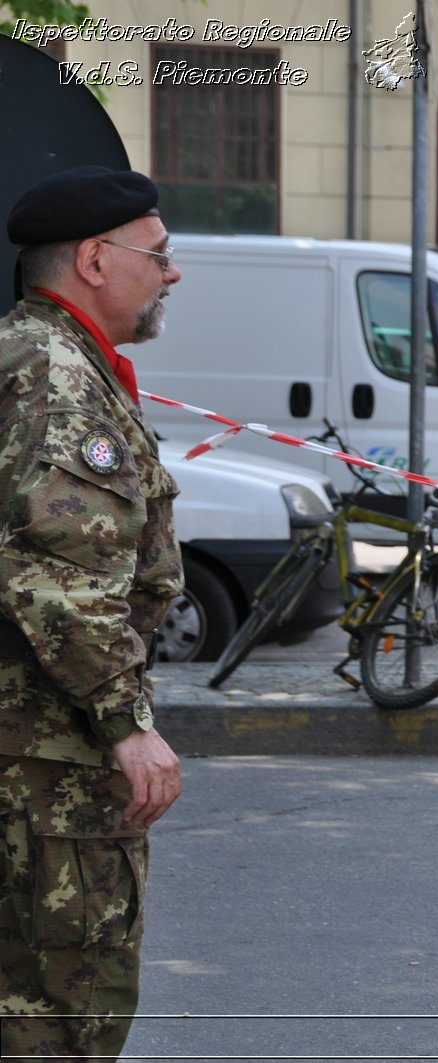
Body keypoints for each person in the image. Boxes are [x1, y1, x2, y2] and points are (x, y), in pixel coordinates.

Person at [0, 165, 185, 1059]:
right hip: (46, 755)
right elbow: (56, 572)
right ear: (94, 259)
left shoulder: (32, 354)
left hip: (30, 748)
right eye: (159, 254)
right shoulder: (57, 375)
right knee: (58, 1015)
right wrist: (126, 719)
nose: (173, 273)